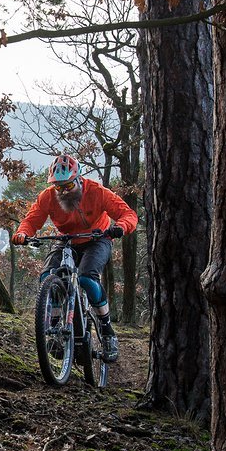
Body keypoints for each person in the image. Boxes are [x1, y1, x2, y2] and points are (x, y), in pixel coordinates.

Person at [11, 154, 138, 363]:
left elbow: (128, 214)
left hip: (98, 238)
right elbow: (32, 220)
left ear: (78, 179)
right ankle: (53, 328)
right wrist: (23, 234)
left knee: (87, 279)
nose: (62, 191)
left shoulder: (96, 191)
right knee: (47, 277)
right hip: (66, 240)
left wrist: (120, 228)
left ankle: (107, 331)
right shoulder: (48, 196)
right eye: (58, 187)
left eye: (68, 186)